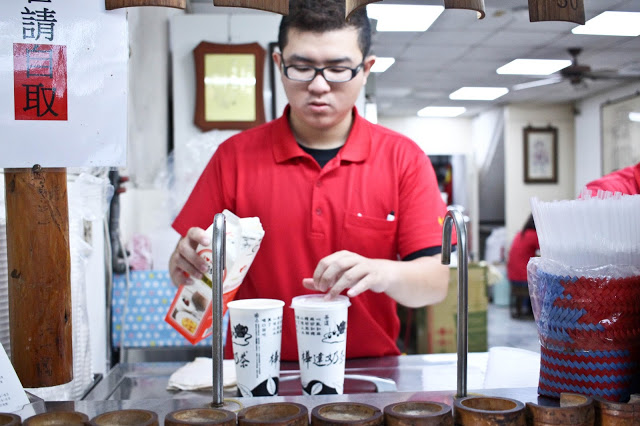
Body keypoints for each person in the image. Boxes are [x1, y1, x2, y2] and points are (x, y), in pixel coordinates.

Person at [169, 0, 451, 361]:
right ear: (278, 64)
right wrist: (182, 264)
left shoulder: (403, 159)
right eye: (302, 68)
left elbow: (435, 284)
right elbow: (184, 269)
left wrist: (380, 272)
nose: (318, 86)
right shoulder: (234, 158)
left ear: (366, 69)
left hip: (367, 372)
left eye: (337, 69)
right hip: (255, 368)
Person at [506, 214, 539, 319]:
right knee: (542, 281)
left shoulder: (520, 233)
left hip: (512, 275)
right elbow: (544, 251)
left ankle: (524, 310)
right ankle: (532, 312)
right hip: (523, 277)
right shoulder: (533, 235)